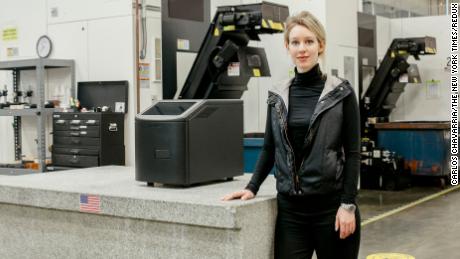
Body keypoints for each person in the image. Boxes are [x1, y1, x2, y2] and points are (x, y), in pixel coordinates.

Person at [222, 11, 361, 259]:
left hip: (332, 209)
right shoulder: (278, 95)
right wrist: (251, 187)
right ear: (287, 46)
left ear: (321, 45)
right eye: (295, 42)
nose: (302, 49)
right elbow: (269, 147)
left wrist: (347, 205)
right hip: (291, 213)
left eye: (309, 41)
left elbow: (352, 154)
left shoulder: (341, 92)